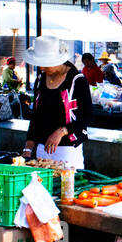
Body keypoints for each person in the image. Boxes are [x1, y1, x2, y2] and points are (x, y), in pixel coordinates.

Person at [22, 36, 94, 169]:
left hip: (68, 150)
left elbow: (88, 117)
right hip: (42, 149)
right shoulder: (40, 79)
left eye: (45, 63)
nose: (42, 67)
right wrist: (28, 147)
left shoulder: (77, 80)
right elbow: (36, 116)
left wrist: (62, 131)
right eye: (39, 63)